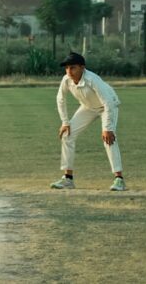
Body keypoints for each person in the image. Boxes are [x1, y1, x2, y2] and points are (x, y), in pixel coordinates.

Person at [50, 52, 126, 191]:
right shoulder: (66, 79)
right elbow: (60, 99)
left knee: (108, 139)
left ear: (82, 67)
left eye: (72, 67)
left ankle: (119, 179)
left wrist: (107, 128)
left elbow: (107, 102)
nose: (69, 71)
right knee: (68, 134)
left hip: (108, 106)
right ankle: (68, 179)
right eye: (66, 68)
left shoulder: (92, 79)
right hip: (88, 107)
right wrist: (65, 122)